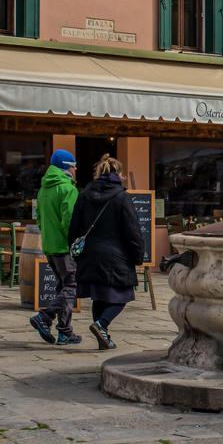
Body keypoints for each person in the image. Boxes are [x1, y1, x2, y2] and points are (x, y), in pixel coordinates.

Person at [67, 154, 145, 350]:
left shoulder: (83, 195)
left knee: (98, 296)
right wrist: (138, 255)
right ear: (119, 175)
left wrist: (76, 253)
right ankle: (102, 325)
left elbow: (74, 229)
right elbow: (133, 231)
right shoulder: (122, 197)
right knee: (124, 294)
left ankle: (103, 338)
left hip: (90, 255)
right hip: (116, 255)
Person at [29, 150, 82, 346]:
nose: (75, 169)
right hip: (64, 247)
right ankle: (45, 317)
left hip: (49, 245)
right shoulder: (68, 189)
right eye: (73, 165)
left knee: (63, 287)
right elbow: (70, 221)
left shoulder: (44, 188)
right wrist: (75, 244)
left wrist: (49, 237)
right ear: (66, 166)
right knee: (72, 286)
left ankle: (65, 332)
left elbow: (39, 219)